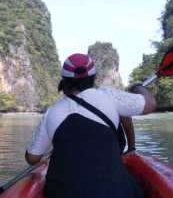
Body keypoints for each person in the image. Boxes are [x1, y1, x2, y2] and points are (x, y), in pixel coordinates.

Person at [25, 53, 156, 198]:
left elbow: (32, 159)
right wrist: (139, 88)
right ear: (93, 78)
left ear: (64, 81)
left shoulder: (52, 112)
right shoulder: (110, 96)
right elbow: (150, 104)